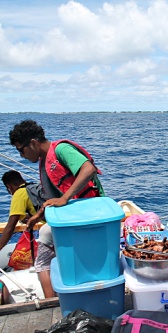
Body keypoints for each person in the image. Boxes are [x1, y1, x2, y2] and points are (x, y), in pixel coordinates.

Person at [9, 119, 105, 298]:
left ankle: (51, 303)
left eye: (21, 150)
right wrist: (38, 215)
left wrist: (65, 197)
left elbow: (88, 168)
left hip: (90, 214)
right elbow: (53, 198)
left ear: (33, 143)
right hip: (73, 218)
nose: (21, 155)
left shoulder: (61, 149)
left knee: (42, 257)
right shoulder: (44, 161)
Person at [1, 171, 46, 253]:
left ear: (9, 187)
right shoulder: (32, 187)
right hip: (59, 224)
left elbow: (11, 226)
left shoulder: (19, 193)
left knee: (41, 263)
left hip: (50, 230)